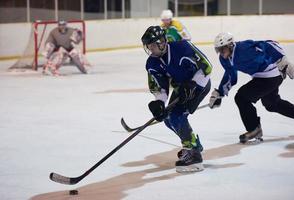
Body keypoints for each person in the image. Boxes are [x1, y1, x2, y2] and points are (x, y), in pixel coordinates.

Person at [141, 26, 212, 172]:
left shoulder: (183, 47)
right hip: (181, 87)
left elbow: (206, 67)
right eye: (149, 46)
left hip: (199, 84)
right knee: (168, 118)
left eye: (153, 45)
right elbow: (160, 87)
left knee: (177, 115)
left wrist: (193, 83)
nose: (151, 49)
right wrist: (159, 103)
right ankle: (193, 145)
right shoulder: (152, 63)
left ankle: (194, 155)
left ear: (162, 42)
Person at [209, 32, 294, 143]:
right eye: (218, 50)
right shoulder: (224, 59)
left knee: (241, 97)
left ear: (230, 45)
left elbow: (269, 44)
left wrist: (283, 60)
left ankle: (254, 129)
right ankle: (255, 128)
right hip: (262, 77)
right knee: (272, 104)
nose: (221, 52)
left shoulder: (244, 49)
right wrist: (219, 93)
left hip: (271, 75)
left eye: (222, 49)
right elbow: (231, 75)